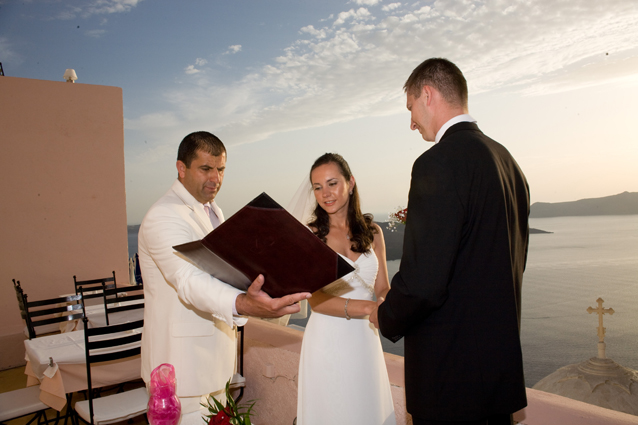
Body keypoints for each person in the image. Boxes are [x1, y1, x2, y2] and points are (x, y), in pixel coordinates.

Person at [370, 58, 530, 425]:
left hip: (451, 379)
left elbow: (425, 282)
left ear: (427, 94)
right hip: (495, 375)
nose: (411, 122)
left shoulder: (437, 162)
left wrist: (385, 314)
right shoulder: (508, 163)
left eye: (410, 108)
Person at [138, 131, 311, 420]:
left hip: (215, 366)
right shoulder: (164, 215)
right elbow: (188, 280)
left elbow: (226, 271)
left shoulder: (213, 210)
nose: (215, 178)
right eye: (206, 169)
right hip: (181, 371)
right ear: (181, 168)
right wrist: (244, 303)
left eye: (220, 170)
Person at [296, 153, 396, 425]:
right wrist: (367, 308)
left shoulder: (373, 231)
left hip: (364, 340)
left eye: (332, 183)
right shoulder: (310, 235)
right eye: (318, 187)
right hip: (326, 339)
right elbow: (316, 300)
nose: (325, 193)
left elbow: (383, 286)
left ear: (350, 183)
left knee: (365, 410)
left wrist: (385, 302)